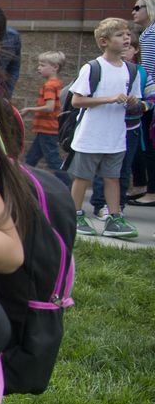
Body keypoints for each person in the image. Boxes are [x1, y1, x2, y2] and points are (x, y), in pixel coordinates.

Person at [66, 18, 143, 239]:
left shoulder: (132, 70)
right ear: (104, 41)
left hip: (116, 136)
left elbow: (136, 100)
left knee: (113, 178)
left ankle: (114, 218)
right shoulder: (93, 68)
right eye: (120, 35)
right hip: (91, 135)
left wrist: (132, 102)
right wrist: (108, 99)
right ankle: (75, 215)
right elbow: (77, 101)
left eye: (127, 34)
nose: (127, 38)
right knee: (82, 177)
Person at [20, 51, 69, 185]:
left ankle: (67, 185)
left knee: (53, 160)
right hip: (47, 128)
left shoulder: (49, 85)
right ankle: (23, 182)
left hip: (47, 128)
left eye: (42, 65)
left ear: (55, 67)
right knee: (31, 158)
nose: (38, 68)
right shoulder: (57, 83)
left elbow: (49, 107)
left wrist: (29, 109)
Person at [128, 0, 155, 206]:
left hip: (151, 96)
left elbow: (151, 69)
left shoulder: (152, 33)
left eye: (138, 7)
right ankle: (144, 186)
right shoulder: (147, 33)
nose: (134, 12)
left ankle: (151, 192)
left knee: (148, 144)